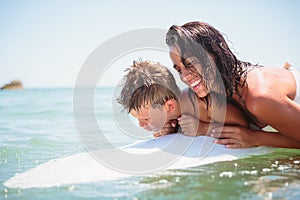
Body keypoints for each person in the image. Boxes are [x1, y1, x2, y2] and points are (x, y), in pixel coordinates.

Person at [166, 21, 300, 148]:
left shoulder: (259, 97)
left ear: (212, 56)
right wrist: (171, 125)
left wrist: (255, 138)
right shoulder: (214, 91)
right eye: (179, 70)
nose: (184, 76)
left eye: (190, 64)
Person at [117, 60, 247, 137]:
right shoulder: (172, 113)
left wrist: (203, 128)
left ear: (170, 106)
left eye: (146, 119)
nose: (141, 125)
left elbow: (244, 123)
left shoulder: (200, 104)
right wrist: (169, 129)